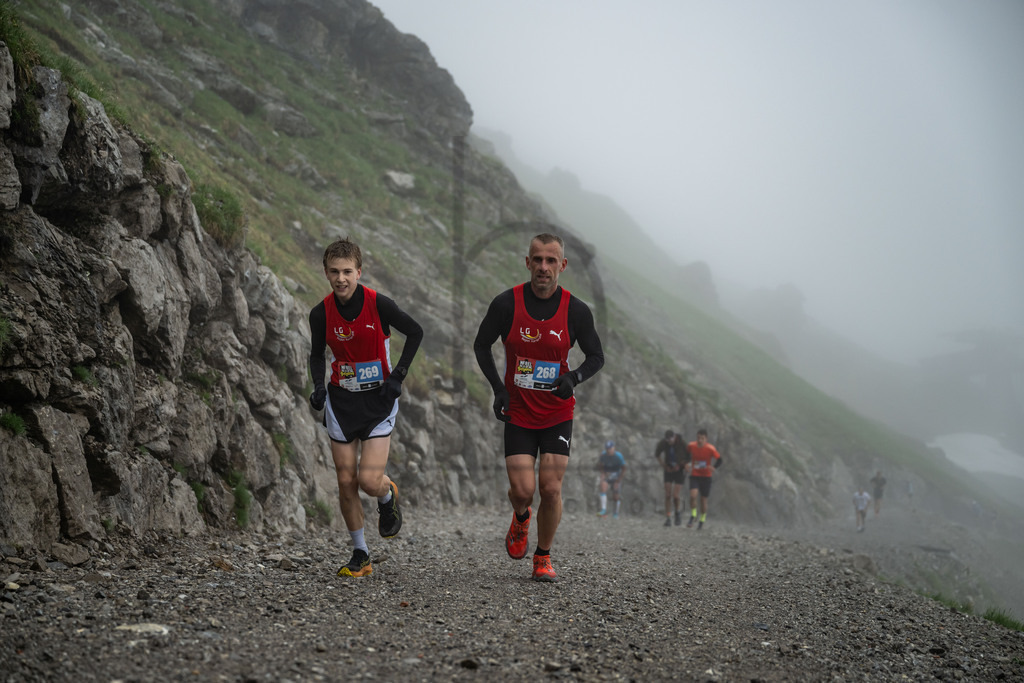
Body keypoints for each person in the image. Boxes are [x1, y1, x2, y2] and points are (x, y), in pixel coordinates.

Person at [473, 232, 605, 582]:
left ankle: (542, 556)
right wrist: (498, 389)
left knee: (550, 488)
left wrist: (573, 378)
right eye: (537, 260)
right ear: (527, 262)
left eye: (551, 261)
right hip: (518, 410)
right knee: (523, 492)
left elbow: (597, 356)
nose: (543, 267)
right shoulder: (506, 304)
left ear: (562, 265)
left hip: (557, 412)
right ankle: (520, 519)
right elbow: (481, 345)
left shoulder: (576, 311)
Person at [308, 237, 423, 577]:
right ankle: (361, 555)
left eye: (347, 271)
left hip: (378, 402)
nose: (341, 278)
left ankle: (387, 496)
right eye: (334, 272)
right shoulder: (321, 313)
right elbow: (317, 354)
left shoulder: (379, 304)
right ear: (326, 273)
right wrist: (317, 387)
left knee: (368, 481)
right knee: (345, 480)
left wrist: (398, 375)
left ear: (359, 271)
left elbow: (415, 332)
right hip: (341, 402)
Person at [685, 428, 721, 530]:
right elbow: (687, 454)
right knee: (693, 496)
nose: (700, 440)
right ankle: (693, 515)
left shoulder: (710, 448)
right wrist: (687, 463)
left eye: (702, 438)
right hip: (695, 475)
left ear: (706, 439)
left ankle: (702, 519)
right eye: (698, 438)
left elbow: (720, 459)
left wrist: (714, 467)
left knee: (703, 500)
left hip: (706, 477)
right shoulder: (691, 445)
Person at [655, 429, 687, 526]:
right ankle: (668, 517)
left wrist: (682, 465)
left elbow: (689, 456)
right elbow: (657, 454)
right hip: (668, 469)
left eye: (670, 440)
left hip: (679, 470)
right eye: (667, 440)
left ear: (674, 437)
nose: (669, 442)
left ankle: (677, 512)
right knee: (668, 494)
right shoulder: (664, 443)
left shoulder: (682, 443)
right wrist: (663, 465)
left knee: (676, 496)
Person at [597, 440, 626, 518]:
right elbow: (600, 465)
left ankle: (616, 513)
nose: (609, 450)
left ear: (614, 448)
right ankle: (603, 509)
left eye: (610, 448)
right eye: (607, 449)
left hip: (616, 475)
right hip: (607, 474)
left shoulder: (619, 456)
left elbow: (624, 468)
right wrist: (603, 473)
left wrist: (618, 480)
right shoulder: (603, 455)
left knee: (615, 496)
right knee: (603, 486)